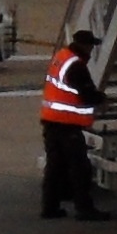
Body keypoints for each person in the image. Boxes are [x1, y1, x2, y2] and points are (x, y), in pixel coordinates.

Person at [38, 27, 105, 219]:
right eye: (91, 46)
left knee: (55, 167)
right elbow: (87, 94)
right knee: (80, 168)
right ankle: (84, 209)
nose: (92, 51)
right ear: (85, 46)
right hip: (67, 124)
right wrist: (102, 100)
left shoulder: (62, 57)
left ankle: (49, 207)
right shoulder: (76, 65)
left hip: (51, 121)